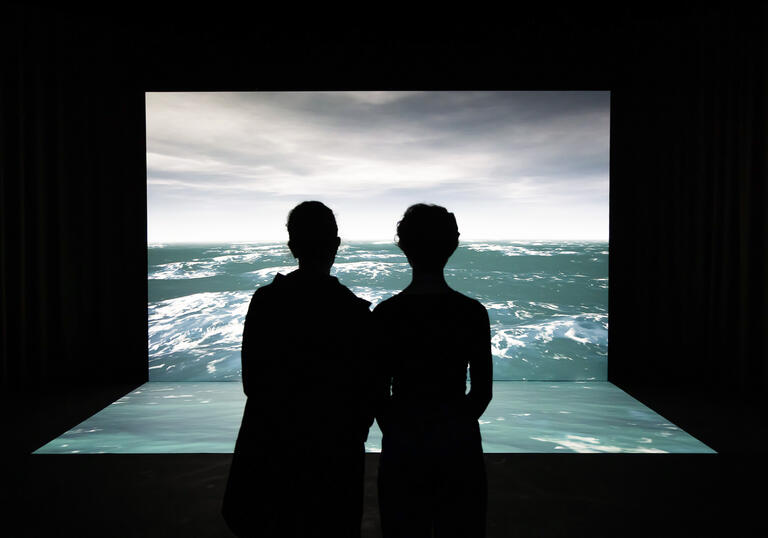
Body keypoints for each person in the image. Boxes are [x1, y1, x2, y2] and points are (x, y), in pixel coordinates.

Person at [222, 201, 373, 538]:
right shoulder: (356, 313)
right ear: (335, 244)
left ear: (292, 247)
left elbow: (253, 382)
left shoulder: (265, 301)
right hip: (334, 459)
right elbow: (365, 394)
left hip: (271, 454)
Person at [373, 203, 493, 538]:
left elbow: (377, 394)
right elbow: (482, 393)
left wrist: (401, 431)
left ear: (404, 246)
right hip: (459, 446)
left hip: (403, 447)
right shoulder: (472, 313)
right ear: (452, 245)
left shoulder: (385, 315)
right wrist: (454, 425)